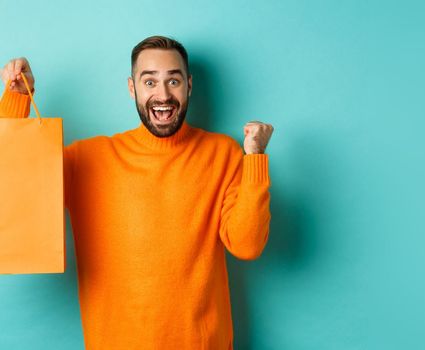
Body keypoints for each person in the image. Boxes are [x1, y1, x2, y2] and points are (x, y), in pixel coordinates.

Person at [0, 35, 274, 349]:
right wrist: (17, 99)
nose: (163, 95)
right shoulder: (87, 159)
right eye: (149, 82)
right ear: (132, 88)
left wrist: (254, 158)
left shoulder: (223, 153)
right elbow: (13, 183)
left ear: (189, 86)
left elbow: (247, 245)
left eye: (173, 80)